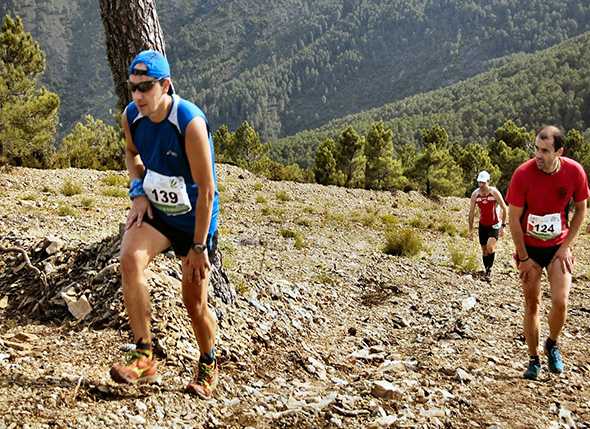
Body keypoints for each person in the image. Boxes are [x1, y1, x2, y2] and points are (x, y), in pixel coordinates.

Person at [109, 50, 221, 399]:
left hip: (193, 224)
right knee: (130, 258)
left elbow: (207, 191)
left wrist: (200, 247)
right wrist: (137, 192)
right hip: (158, 213)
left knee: (194, 303)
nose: (139, 96)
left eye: (146, 87)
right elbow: (131, 153)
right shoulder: (132, 116)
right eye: (133, 88)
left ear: (166, 85)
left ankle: (208, 361)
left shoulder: (189, 122)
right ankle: (144, 354)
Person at [506, 125, 588, 380]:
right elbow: (514, 219)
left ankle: (552, 343)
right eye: (536, 149)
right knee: (532, 304)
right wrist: (523, 257)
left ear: (559, 152)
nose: (537, 156)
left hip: (557, 248)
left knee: (561, 302)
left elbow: (581, 209)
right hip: (529, 248)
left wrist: (565, 247)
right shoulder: (522, 174)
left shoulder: (574, 172)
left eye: (544, 151)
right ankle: (533, 360)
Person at [468, 170, 508, 281]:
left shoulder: (494, 192)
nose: (481, 185)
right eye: (479, 182)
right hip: (483, 225)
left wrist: (503, 226)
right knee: (484, 250)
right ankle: (486, 269)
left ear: (488, 182)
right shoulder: (475, 194)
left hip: (494, 224)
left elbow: (505, 208)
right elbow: (471, 213)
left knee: (490, 248)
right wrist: (470, 230)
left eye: (483, 182)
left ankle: (489, 271)